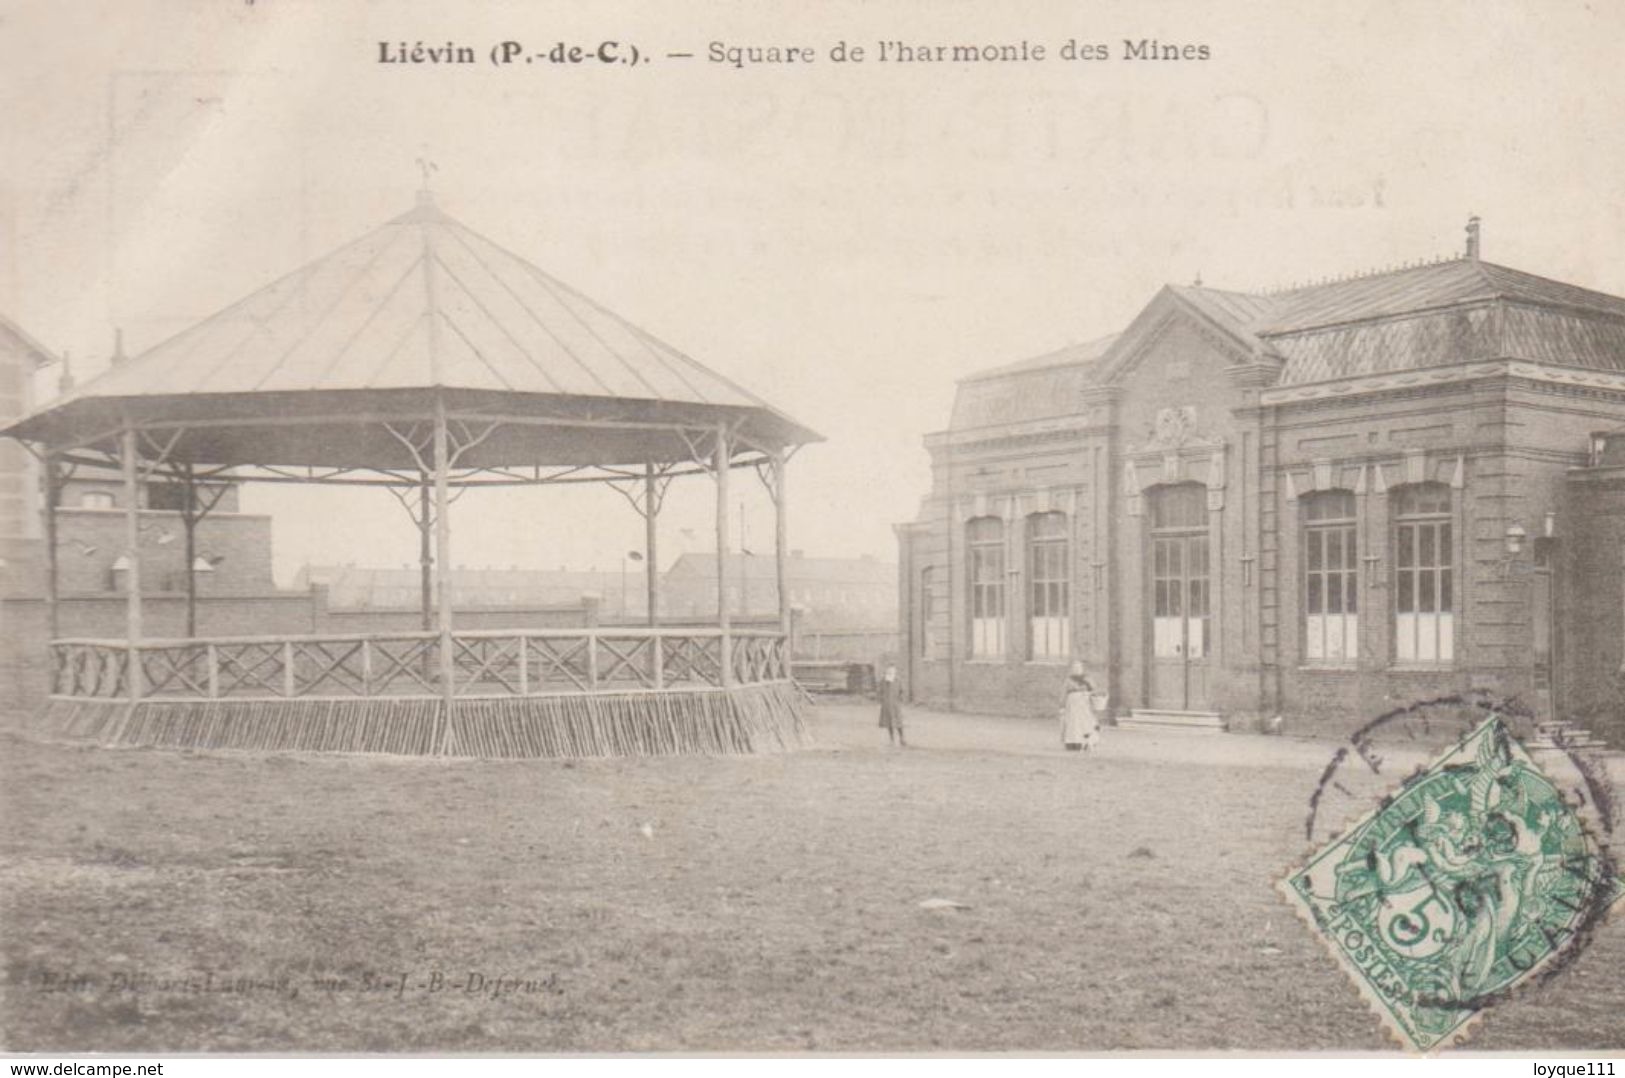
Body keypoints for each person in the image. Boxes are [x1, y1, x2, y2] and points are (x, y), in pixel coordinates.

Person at [1059, 661, 1102, 752]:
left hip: (1085, 704)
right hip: (1072, 705)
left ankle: (1087, 742)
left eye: (1078, 668)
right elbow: (1064, 693)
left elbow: (1094, 691)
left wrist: (1090, 695)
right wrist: (1062, 706)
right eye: (1074, 668)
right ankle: (1073, 743)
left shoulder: (1088, 679)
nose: (1076, 670)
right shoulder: (1068, 680)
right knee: (1073, 722)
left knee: (1086, 722)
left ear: (1082, 669)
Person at [878, 664, 906, 747]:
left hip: (895, 704)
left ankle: (902, 738)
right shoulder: (883, 681)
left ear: (894, 672)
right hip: (886, 704)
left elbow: (902, 691)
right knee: (889, 722)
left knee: (898, 722)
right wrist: (881, 700)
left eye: (892, 671)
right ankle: (892, 739)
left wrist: (900, 699)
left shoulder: (898, 680)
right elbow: (880, 691)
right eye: (888, 671)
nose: (890, 673)